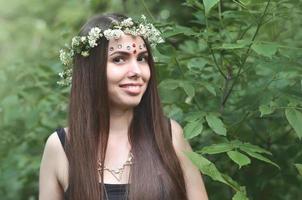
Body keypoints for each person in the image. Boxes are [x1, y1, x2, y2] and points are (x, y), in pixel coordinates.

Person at [39, 13, 208, 200]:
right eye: (119, 59)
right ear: (90, 70)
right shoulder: (61, 147)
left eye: (142, 58)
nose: (136, 71)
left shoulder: (170, 136)